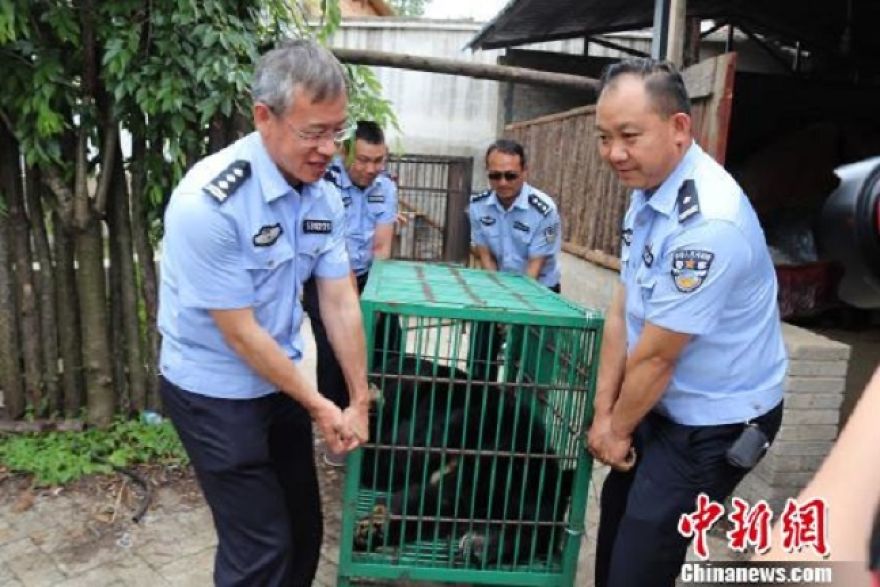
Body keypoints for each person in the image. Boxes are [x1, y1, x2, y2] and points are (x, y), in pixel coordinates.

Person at [157, 40, 369, 587]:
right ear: (263, 117)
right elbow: (242, 335)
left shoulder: (323, 193)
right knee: (260, 548)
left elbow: (340, 298)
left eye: (336, 131)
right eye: (313, 132)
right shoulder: (209, 202)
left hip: (280, 386)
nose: (328, 148)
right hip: (215, 393)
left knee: (302, 530)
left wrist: (358, 396)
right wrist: (322, 406)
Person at [587, 58, 787, 587]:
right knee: (615, 525)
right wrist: (604, 414)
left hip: (716, 421)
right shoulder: (648, 192)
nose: (614, 153)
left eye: (629, 135)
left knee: (640, 560)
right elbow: (622, 309)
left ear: (679, 127)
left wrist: (617, 429)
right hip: (663, 399)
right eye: (604, 137)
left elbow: (657, 356)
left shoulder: (709, 223)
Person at [302, 120, 399, 466]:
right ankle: (337, 434)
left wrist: (370, 298)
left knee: (390, 347)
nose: (371, 169)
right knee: (332, 355)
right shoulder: (321, 184)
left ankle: (381, 430)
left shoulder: (385, 188)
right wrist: (348, 299)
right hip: (324, 281)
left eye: (378, 160)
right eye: (364, 160)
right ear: (345, 153)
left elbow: (383, 246)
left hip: (370, 278)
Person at [467, 139, 562, 380]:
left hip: (538, 292)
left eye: (510, 175)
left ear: (524, 173)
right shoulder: (478, 206)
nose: (502, 183)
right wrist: (498, 305)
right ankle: (479, 410)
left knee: (531, 373)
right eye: (495, 176)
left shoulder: (544, 210)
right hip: (496, 288)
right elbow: (485, 256)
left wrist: (513, 314)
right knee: (479, 365)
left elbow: (535, 267)